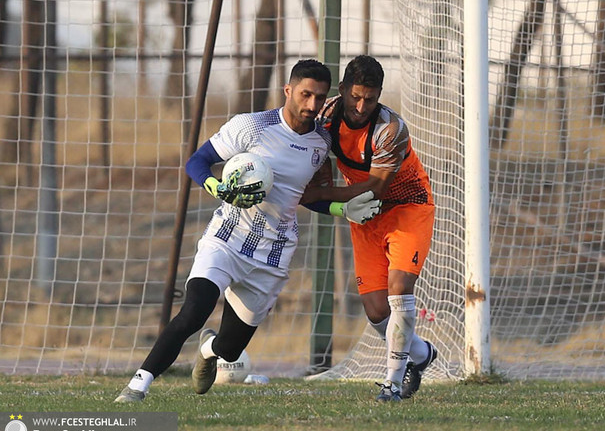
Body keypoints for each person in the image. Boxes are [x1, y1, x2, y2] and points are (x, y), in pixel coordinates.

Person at [115, 59, 380, 402]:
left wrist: (342, 208)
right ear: (288, 90)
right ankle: (138, 384)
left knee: (230, 349)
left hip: (273, 252)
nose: (311, 105)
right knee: (193, 310)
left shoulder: (320, 144)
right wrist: (217, 187)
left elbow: (302, 198)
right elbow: (197, 161)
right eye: (304, 94)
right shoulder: (252, 127)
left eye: (319, 97)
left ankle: (209, 350)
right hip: (228, 237)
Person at [302, 55, 438, 402]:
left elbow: (376, 186)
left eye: (371, 99)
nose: (361, 106)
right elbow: (319, 166)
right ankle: (420, 355)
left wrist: (323, 194)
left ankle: (392, 383)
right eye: (356, 97)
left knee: (399, 288)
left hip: (408, 206)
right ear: (343, 89)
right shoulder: (325, 119)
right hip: (365, 215)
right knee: (377, 310)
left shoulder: (390, 129)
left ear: (379, 96)